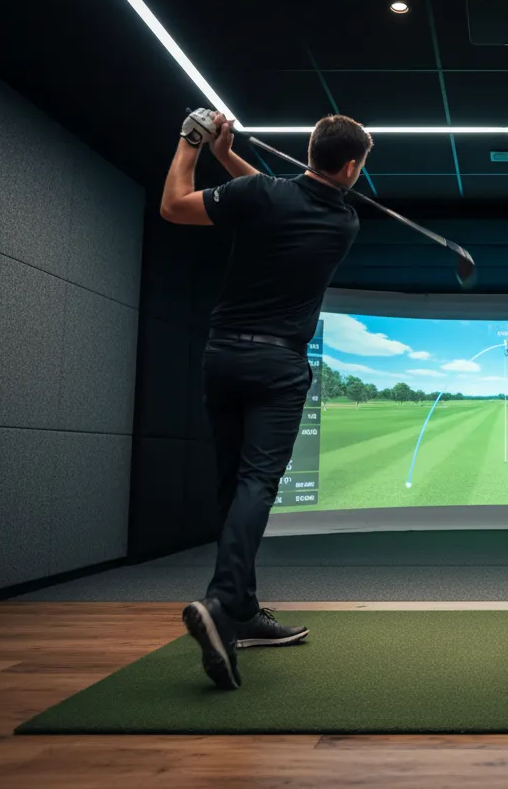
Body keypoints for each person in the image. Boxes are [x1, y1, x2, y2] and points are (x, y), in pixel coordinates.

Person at [159, 109, 372, 690]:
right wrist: (223, 154)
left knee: (232, 486)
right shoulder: (344, 221)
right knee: (257, 484)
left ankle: (243, 611)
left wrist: (194, 144)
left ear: (310, 150)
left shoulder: (259, 194)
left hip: (222, 356)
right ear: (350, 167)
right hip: (278, 366)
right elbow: (275, 196)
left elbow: (176, 204)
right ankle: (225, 604)